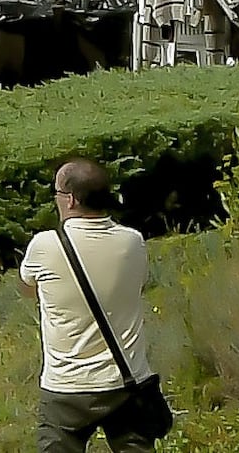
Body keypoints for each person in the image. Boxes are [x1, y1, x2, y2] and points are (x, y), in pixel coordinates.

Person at [20, 157, 149, 453]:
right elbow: (138, 286)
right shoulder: (133, 242)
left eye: (56, 194)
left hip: (67, 387)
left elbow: (27, 288)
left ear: (71, 200)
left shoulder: (45, 245)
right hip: (127, 382)